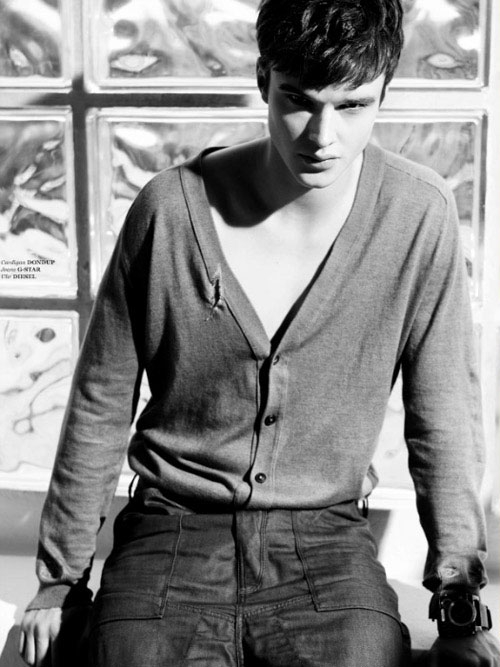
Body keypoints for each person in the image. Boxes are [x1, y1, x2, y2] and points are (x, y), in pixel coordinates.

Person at [19, 0, 500, 665]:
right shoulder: (168, 209)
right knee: (130, 652)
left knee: (363, 654)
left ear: (384, 92)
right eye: (299, 100)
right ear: (262, 80)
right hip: (171, 532)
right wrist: (60, 580)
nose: (323, 136)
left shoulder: (419, 215)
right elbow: (100, 403)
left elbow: (443, 412)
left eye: (354, 105)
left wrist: (458, 598)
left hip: (327, 541)